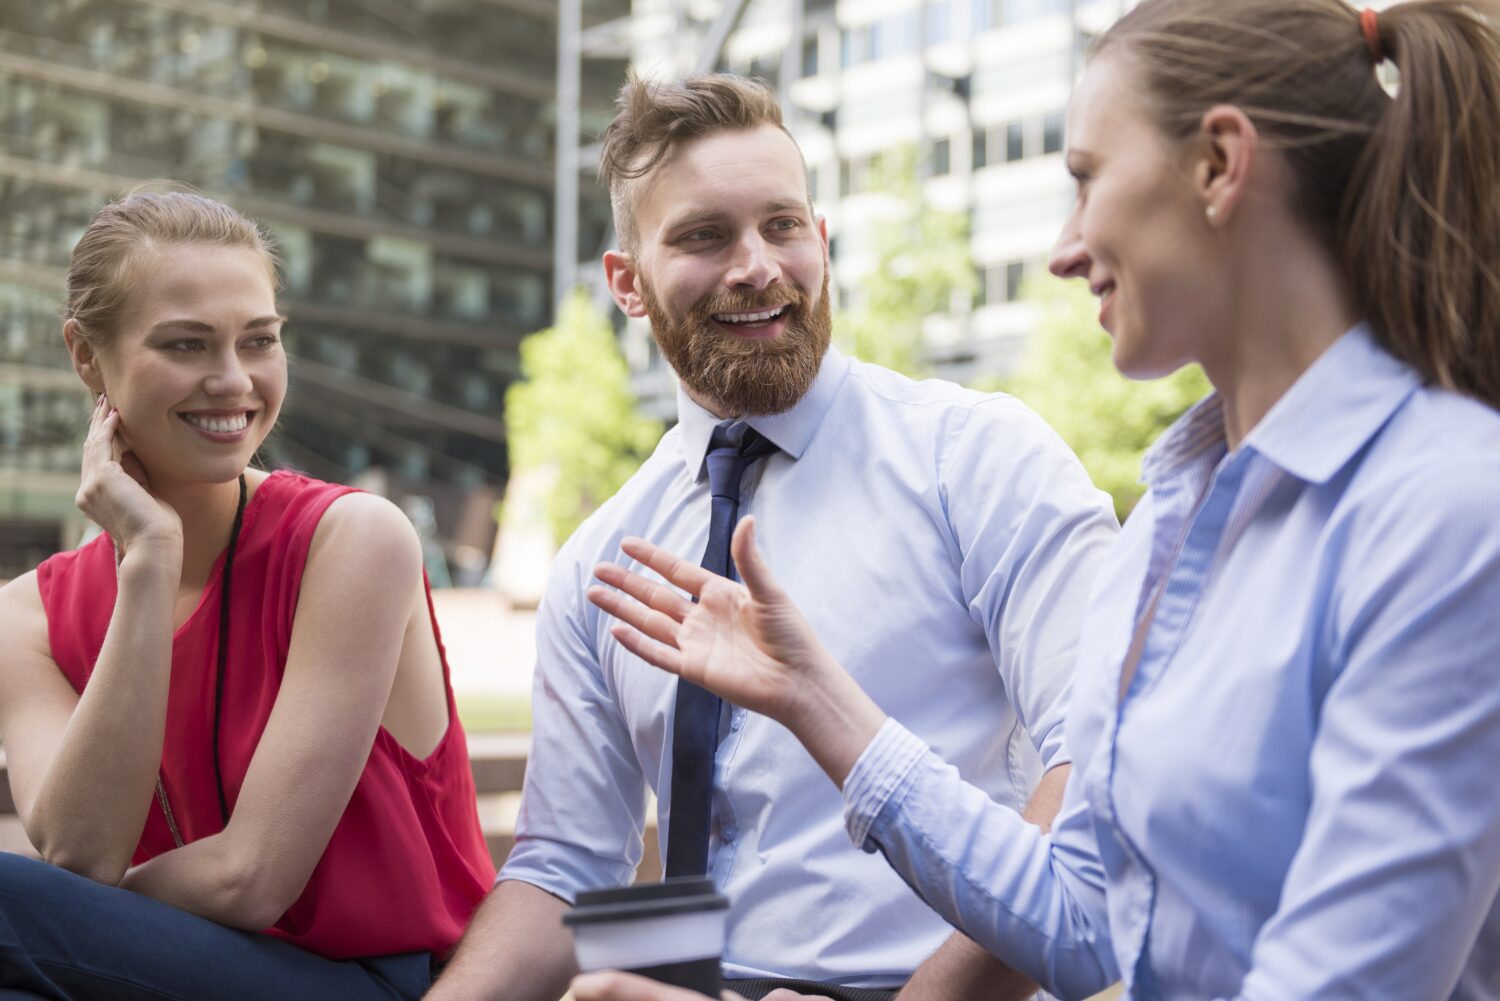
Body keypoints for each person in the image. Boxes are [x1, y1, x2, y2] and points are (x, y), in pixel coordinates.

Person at [583, 0, 1500, 998]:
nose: (1063, 248)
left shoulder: (1450, 512)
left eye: (1086, 179)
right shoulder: (1171, 522)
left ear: (1219, 166)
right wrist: (817, 698)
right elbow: (1083, 916)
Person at [427, 74, 1119, 1001]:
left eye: (782, 225)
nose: (757, 265)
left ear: (821, 241)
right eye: (705, 236)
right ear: (628, 284)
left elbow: (1100, 772)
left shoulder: (980, 460)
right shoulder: (600, 557)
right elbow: (564, 869)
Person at [0, 190, 496, 1000]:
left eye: (259, 340)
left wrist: (78, 914)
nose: (233, 381)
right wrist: (149, 562)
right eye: (186, 344)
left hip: (371, 983)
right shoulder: (26, 617)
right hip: (156, 973)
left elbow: (252, 877)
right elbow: (80, 853)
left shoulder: (354, 540)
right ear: (87, 356)